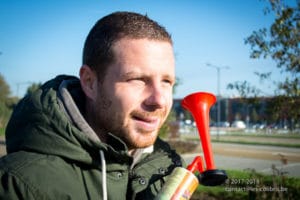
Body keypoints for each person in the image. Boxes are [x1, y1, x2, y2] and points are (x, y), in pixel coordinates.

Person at [0, 11, 184, 199]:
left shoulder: (169, 170)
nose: (159, 100)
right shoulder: (18, 185)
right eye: (137, 79)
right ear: (90, 82)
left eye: (167, 81)